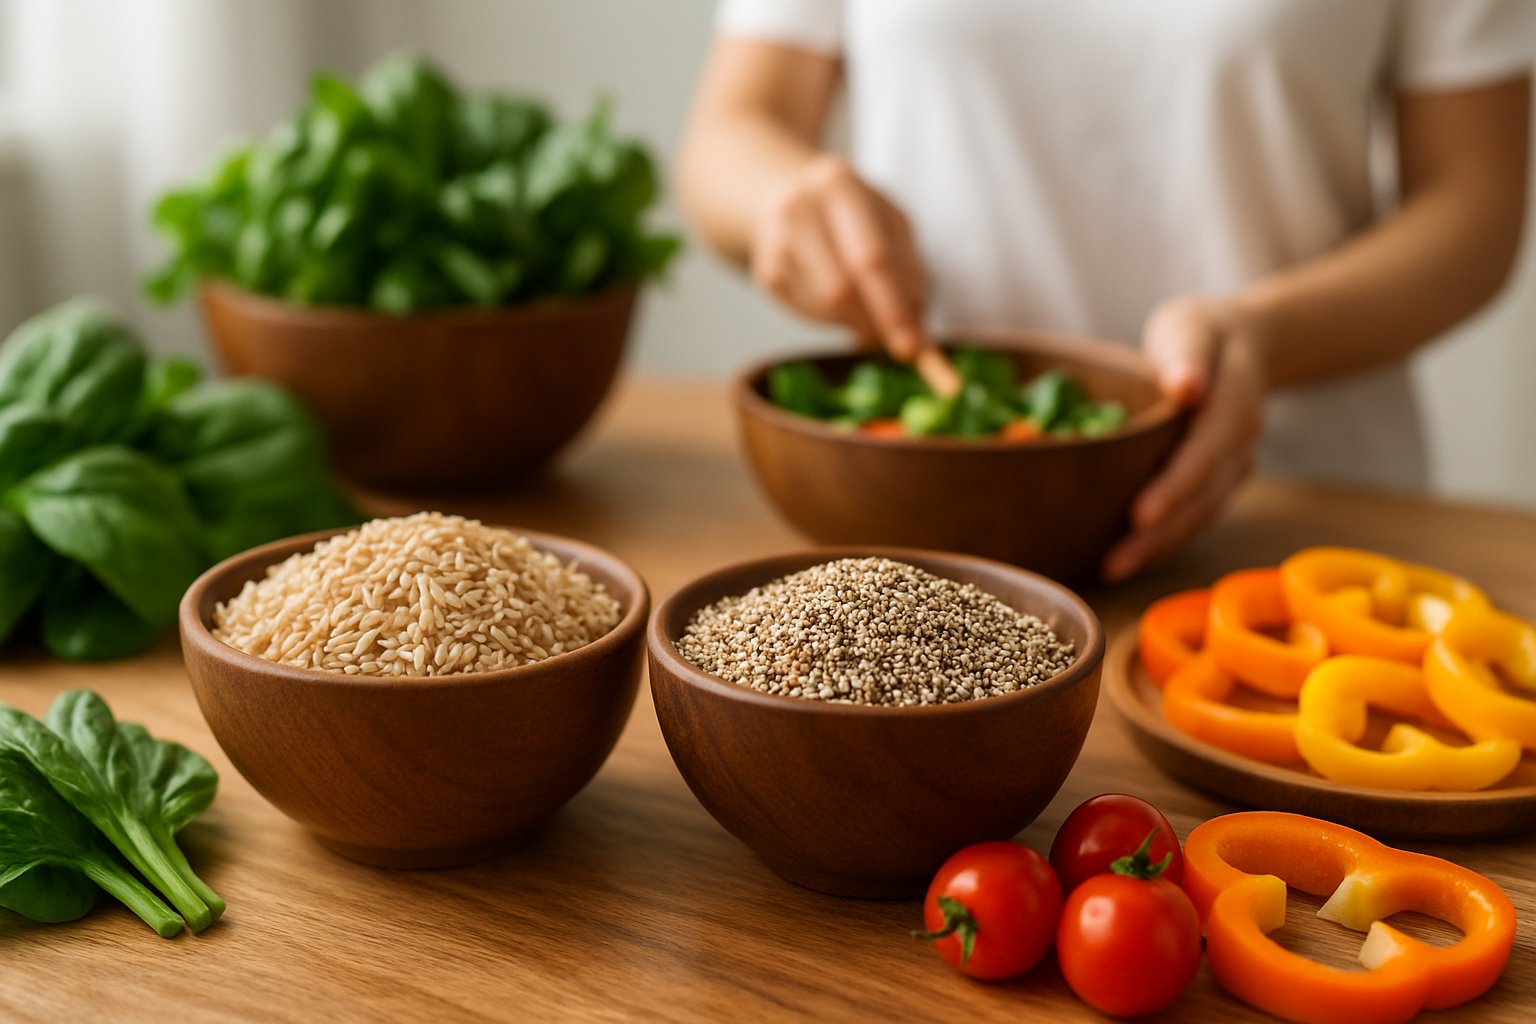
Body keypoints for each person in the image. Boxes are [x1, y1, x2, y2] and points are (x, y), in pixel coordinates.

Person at [677, 0, 1531, 580]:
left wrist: (1262, 333)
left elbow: (1476, 207)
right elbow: (730, 135)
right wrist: (784, 201)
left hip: (1293, 513)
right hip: (918, 518)